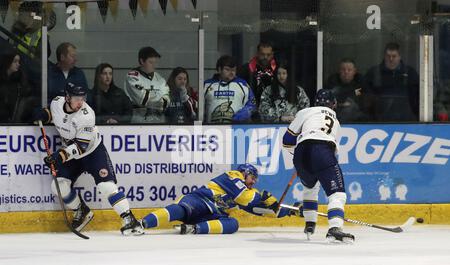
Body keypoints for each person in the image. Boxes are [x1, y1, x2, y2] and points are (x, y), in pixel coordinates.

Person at [33, 82, 144, 236]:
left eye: (82, 98)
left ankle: (130, 219)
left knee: (106, 186)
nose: (80, 102)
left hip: (92, 152)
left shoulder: (87, 115)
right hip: (72, 154)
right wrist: (44, 115)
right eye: (77, 98)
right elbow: (54, 115)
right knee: (58, 185)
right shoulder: (57, 103)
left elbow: (81, 147)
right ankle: (81, 211)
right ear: (67, 97)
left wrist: (60, 156)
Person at [282, 89, 355, 243]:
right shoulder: (336, 121)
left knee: (310, 188)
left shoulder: (305, 111)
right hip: (323, 151)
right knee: (337, 194)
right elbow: (332, 149)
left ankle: (310, 224)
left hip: (301, 153)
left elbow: (287, 139)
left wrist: (297, 156)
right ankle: (335, 227)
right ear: (334, 104)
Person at [140, 164, 297, 234]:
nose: (254, 181)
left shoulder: (248, 192)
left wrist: (291, 211)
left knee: (233, 224)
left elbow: (263, 211)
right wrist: (264, 197)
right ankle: (143, 223)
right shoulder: (233, 176)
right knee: (181, 209)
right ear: (245, 173)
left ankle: (194, 229)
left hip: (211, 215)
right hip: (200, 200)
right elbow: (246, 198)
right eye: (252, 177)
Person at [364, 42, 419, 121]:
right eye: (388, 56)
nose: (391, 59)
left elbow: (418, 94)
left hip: (406, 120)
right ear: (384, 56)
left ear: (399, 57)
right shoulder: (374, 73)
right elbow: (360, 90)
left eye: (394, 56)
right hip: (378, 120)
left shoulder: (410, 73)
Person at [204, 55, 256, 123]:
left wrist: (244, 113)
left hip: (236, 129)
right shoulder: (207, 84)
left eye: (233, 70)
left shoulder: (243, 84)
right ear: (219, 70)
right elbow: (197, 107)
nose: (231, 73)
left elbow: (252, 103)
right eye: (227, 69)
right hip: (211, 129)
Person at [124, 46, 170, 124]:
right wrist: (158, 96)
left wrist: (149, 97)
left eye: (155, 62)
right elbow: (142, 99)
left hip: (160, 124)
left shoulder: (160, 79)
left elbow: (166, 102)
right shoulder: (132, 77)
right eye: (151, 62)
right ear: (142, 61)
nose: (154, 65)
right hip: (139, 124)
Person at [324, 58, 368, 123]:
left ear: (354, 71)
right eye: (343, 70)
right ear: (339, 71)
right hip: (336, 114)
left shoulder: (360, 81)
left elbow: (365, 97)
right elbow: (329, 98)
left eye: (349, 70)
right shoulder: (333, 81)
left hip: (357, 115)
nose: (346, 72)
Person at [0, 49, 34, 123]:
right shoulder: (3, 83)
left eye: (18, 61)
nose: (18, 64)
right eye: (15, 61)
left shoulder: (20, 82)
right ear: (7, 62)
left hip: (12, 123)